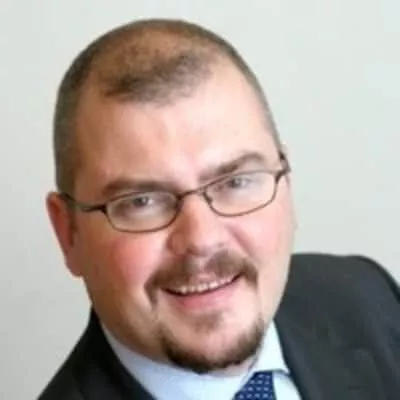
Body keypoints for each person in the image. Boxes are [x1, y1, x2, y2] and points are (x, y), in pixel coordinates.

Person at [39, 18, 400, 400]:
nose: (202, 240)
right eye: (141, 202)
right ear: (68, 234)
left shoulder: (367, 299)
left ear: (286, 179)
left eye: (235, 182)